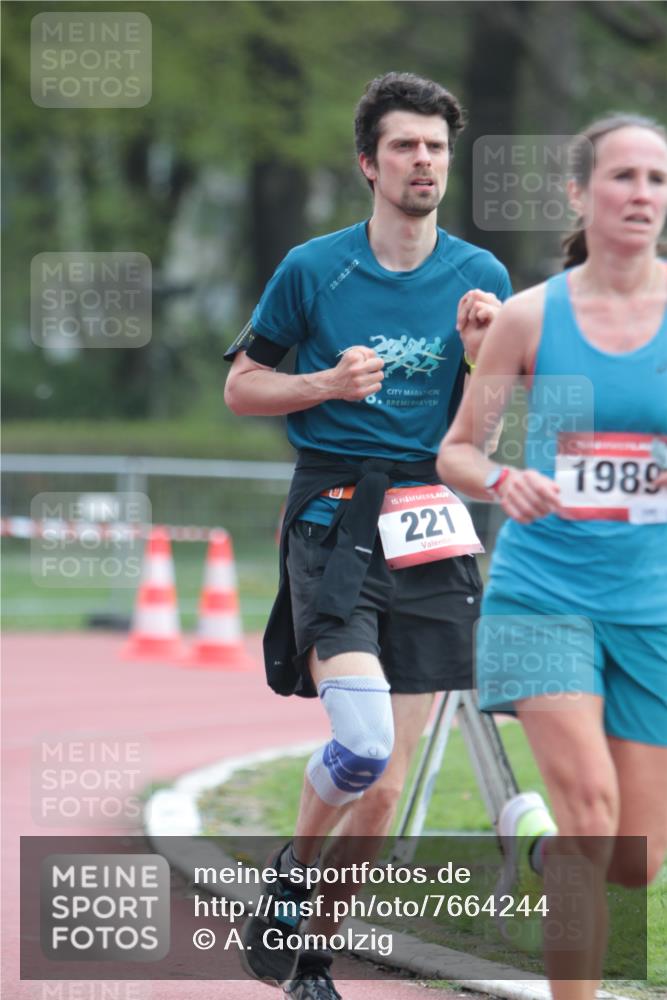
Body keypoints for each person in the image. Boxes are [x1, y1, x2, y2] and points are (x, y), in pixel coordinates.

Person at [224, 71, 517, 1000]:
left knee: (384, 793)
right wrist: (322, 386)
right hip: (334, 514)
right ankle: (292, 873)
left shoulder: (481, 278)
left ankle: (310, 957)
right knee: (360, 748)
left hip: (433, 520)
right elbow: (240, 387)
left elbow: (484, 440)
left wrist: (480, 360)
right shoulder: (314, 268)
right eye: (404, 145)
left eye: (435, 146)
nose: (423, 160)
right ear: (369, 162)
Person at [437, 114, 667, 998]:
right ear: (578, 192)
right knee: (590, 816)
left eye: (655, 179)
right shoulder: (532, 316)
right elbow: (458, 448)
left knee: (633, 861)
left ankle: (527, 835)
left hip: (647, 605)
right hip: (541, 596)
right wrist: (499, 480)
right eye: (622, 177)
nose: (640, 194)